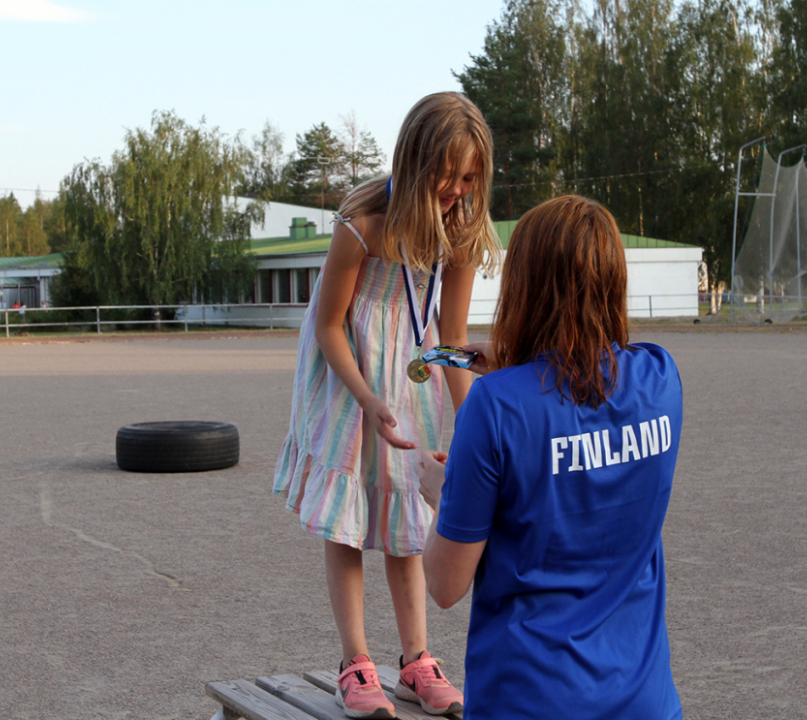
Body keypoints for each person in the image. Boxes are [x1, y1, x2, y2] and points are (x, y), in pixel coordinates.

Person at [272, 92, 500, 720]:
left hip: (415, 372)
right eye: (445, 173)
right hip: (350, 375)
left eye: (469, 176)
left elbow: (450, 341)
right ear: (415, 158)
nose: (456, 188)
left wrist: (478, 422)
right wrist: (369, 398)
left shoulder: (460, 234)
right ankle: (356, 663)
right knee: (348, 517)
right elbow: (328, 326)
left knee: (408, 514)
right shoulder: (362, 225)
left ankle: (416, 663)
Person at [417, 196, 684, 720]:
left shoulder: (493, 407)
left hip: (529, 699)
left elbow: (445, 586)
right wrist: (522, 360)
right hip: (644, 701)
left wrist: (442, 493)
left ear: (525, 286)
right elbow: (581, 400)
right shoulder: (661, 379)